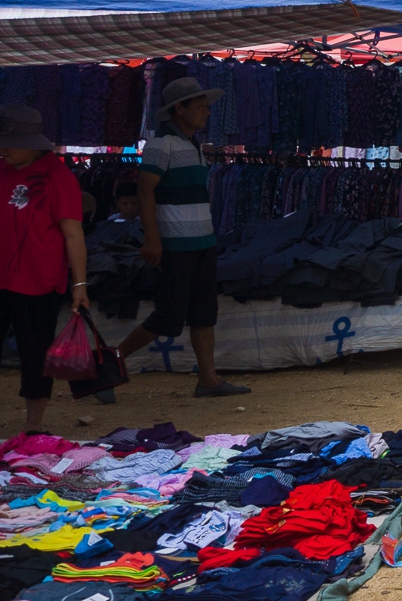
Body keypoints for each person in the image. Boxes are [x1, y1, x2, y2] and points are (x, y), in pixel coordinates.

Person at [114, 78, 247, 397]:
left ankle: (208, 378)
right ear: (179, 109)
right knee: (169, 314)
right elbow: (145, 190)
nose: (206, 112)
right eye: (199, 106)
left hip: (203, 242)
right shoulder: (163, 144)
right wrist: (153, 239)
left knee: (204, 311)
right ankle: (111, 360)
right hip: (176, 245)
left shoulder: (193, 145)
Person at [0, 106, 92, 430]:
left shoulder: (58, 176)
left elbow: (72, 233)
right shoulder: (2, 170)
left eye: (11, 142)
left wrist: (79, 285)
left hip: (39, 283)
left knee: (35, 356)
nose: (4, 148)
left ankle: (33, 427)